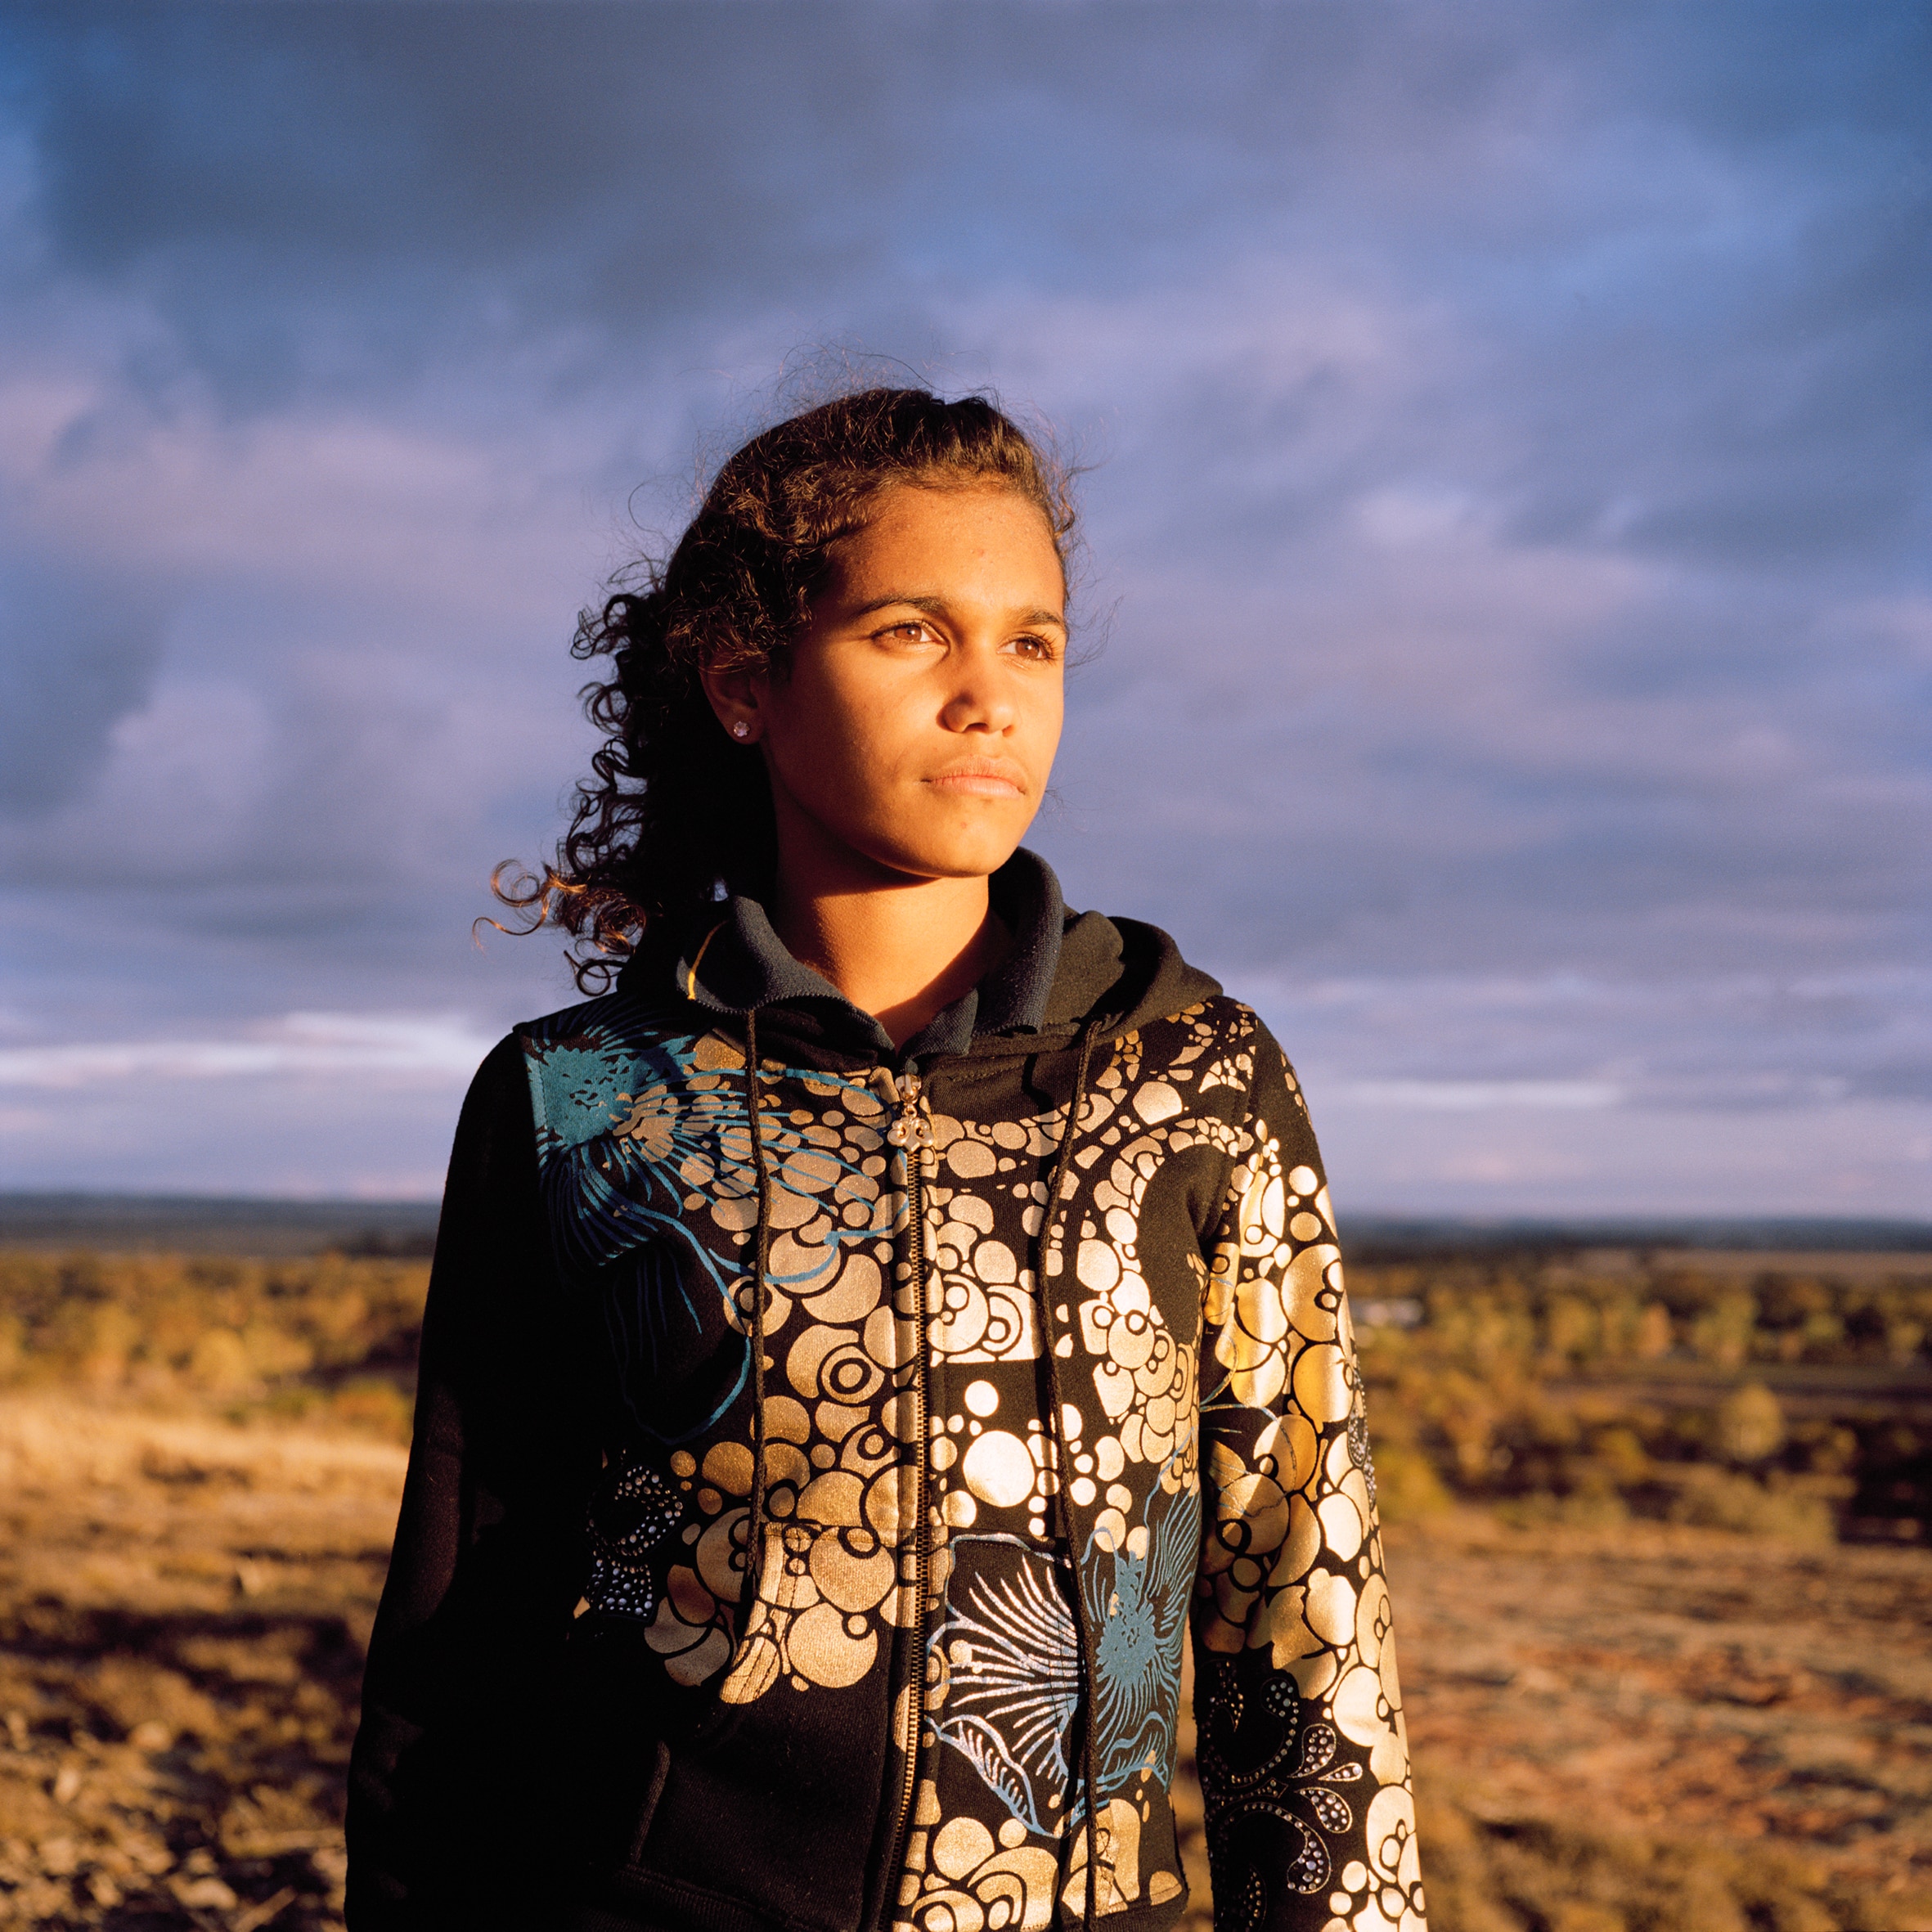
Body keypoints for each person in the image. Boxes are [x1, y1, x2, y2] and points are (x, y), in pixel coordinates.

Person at [346, 387, 1425, 1932]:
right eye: (912, 631)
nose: (989, 694)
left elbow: (1302, 1615)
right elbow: (463, 1629)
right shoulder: (580, 1099)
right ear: (742, 683)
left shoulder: (1194, 1079)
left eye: (1032, 641)